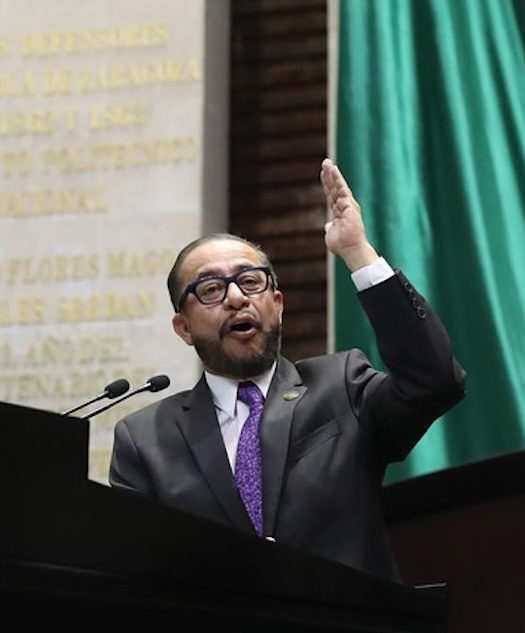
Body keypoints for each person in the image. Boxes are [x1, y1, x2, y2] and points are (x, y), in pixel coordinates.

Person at [109, 158, 467, 581]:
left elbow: (435, 380)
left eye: (252, 281)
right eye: (210, 289)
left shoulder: (341, 387)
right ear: (183, 328)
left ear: (277, 305)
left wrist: (358, 253)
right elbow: (135, 574)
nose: (237, 298)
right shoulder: (145, 440)